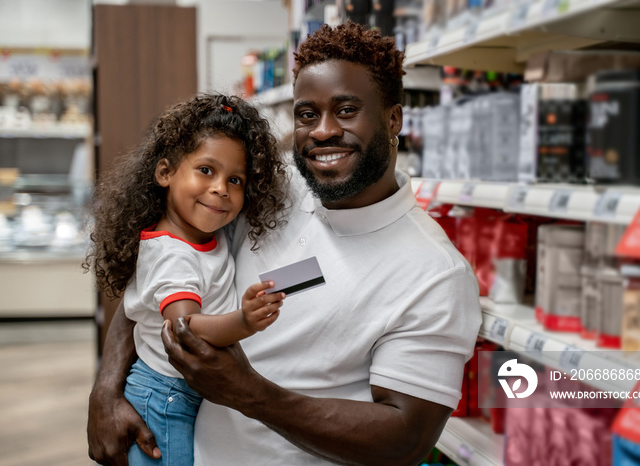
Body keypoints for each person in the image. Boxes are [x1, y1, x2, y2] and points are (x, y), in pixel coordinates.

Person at [88, 22, 482, 466]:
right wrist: (105, 389)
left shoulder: (435, 272)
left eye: (347, 110)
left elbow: (405, 438)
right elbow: (164, 269)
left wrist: (251, 395)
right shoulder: (266, 188)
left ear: (394, 119)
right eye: (307, 114)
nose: (322, 131)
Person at [84, 93, 288, 465]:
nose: (221, 188)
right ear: (165, 173)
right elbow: (185, 326)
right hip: (164, 398)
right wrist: (244, 320)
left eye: (236, 179)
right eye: (206, 170)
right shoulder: (172, 255)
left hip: (175, 392)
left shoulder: (206, 233)